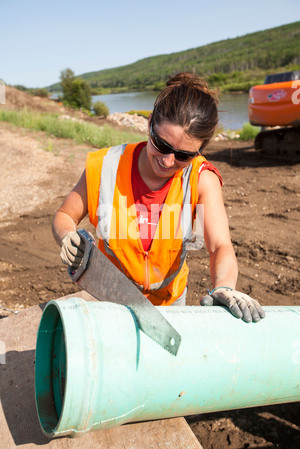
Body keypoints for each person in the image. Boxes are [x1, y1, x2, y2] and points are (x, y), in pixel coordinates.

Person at [52, 72, 265, 323]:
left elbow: (220, 246)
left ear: (200, 149)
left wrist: (225, 286)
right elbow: (65, 215)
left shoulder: (201, 179)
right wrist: (68, 236)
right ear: (150, 122)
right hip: (108, 299)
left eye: (183, 155)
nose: (167, 161)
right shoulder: (104, 166)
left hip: (170, 306)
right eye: (161, 145)